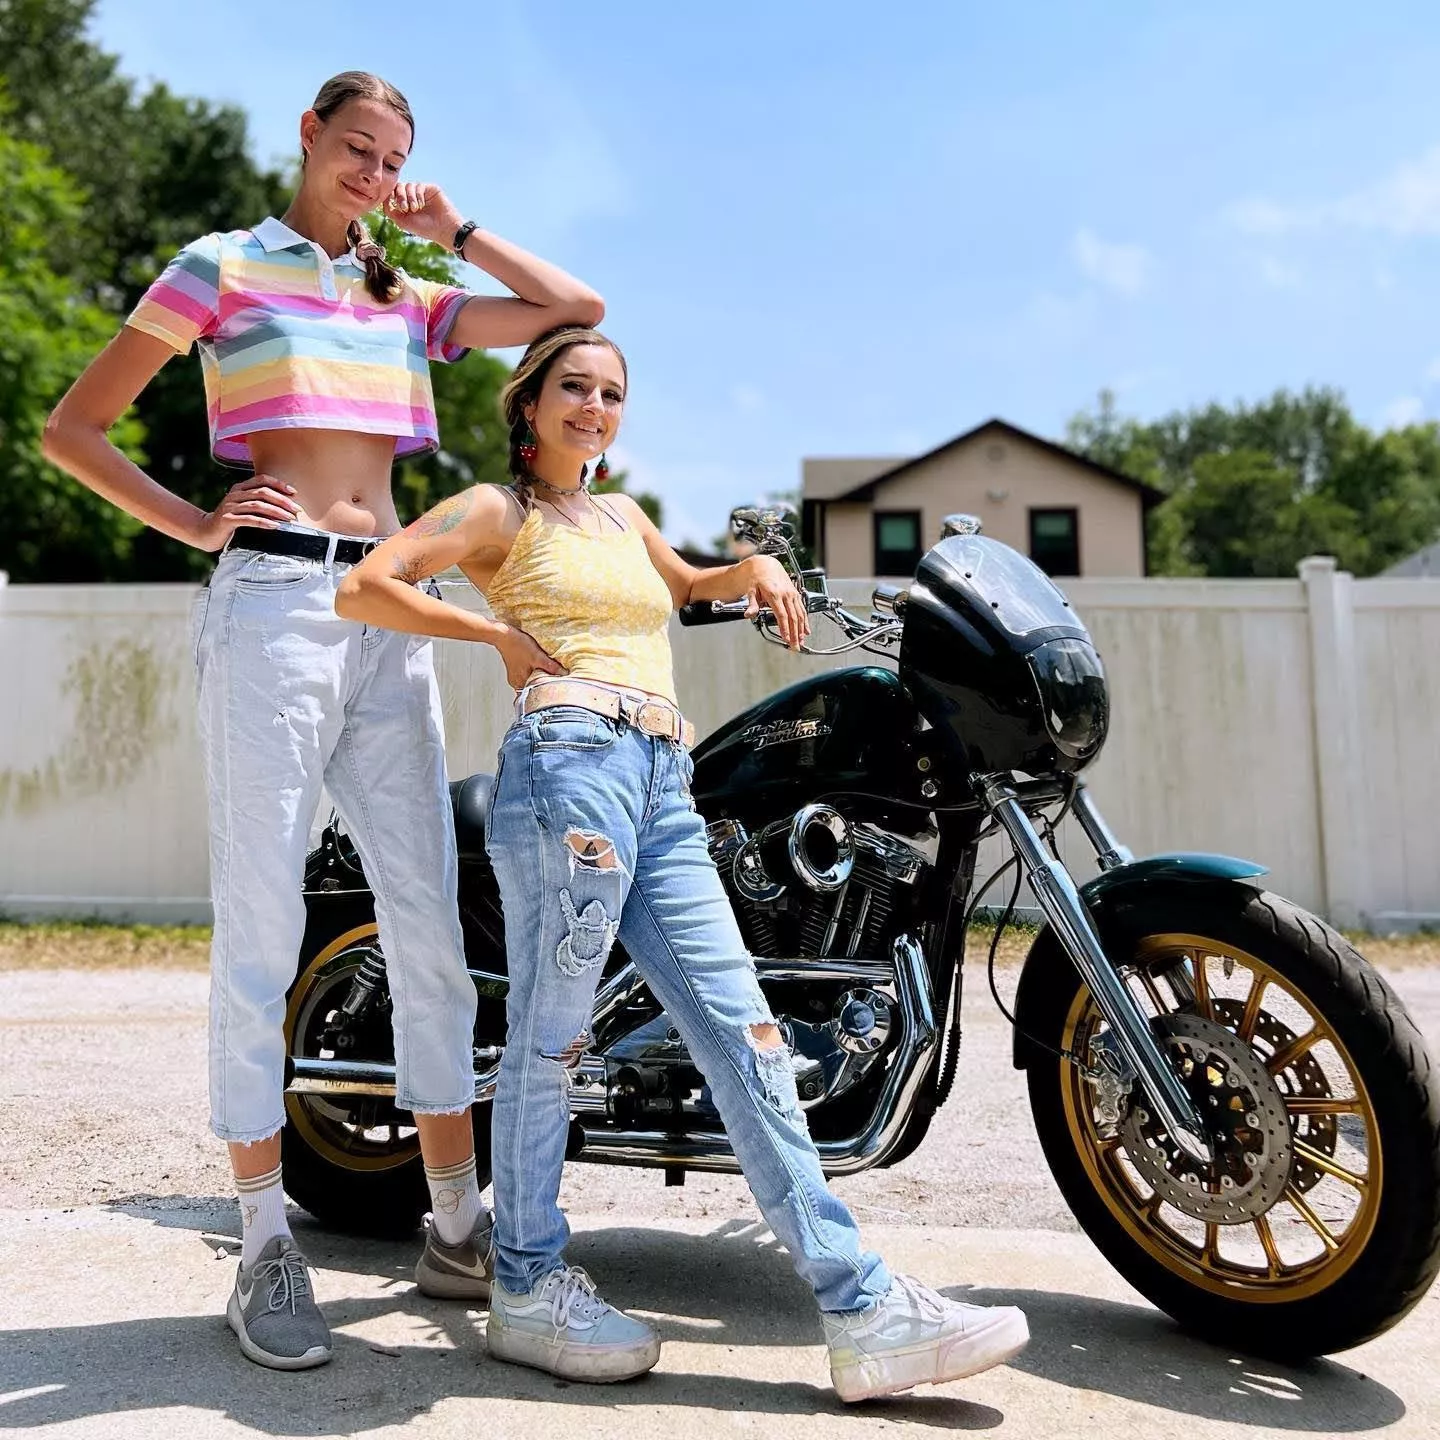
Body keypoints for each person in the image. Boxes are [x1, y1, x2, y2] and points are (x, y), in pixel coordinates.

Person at [334, 326, 1031, 1402]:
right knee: (551, 1038)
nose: (595, 407)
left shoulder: (623, 518)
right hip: (568, 766)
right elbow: (369, 585)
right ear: (528, 406)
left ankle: (861, 1307)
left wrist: (751, 567)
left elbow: (694, 585)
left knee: (746, 1033)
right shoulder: (494, 512)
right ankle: (521, 1284)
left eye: (612, 393)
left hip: (664, 780)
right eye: (573, 387)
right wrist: (495, 641)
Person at [42, 71, 603, 1371]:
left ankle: (456, 1224)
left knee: (425, 919)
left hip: (386, 607)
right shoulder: (221, 268)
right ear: (308, 135)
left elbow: (576, 315)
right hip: (273, 611)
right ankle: (262, 1245)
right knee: (262, 919)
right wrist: (194, 521)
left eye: (391, 158)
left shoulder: (399, 292)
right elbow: (78, 428)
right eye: (357, 148)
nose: (369, 173)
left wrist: (451, 227)